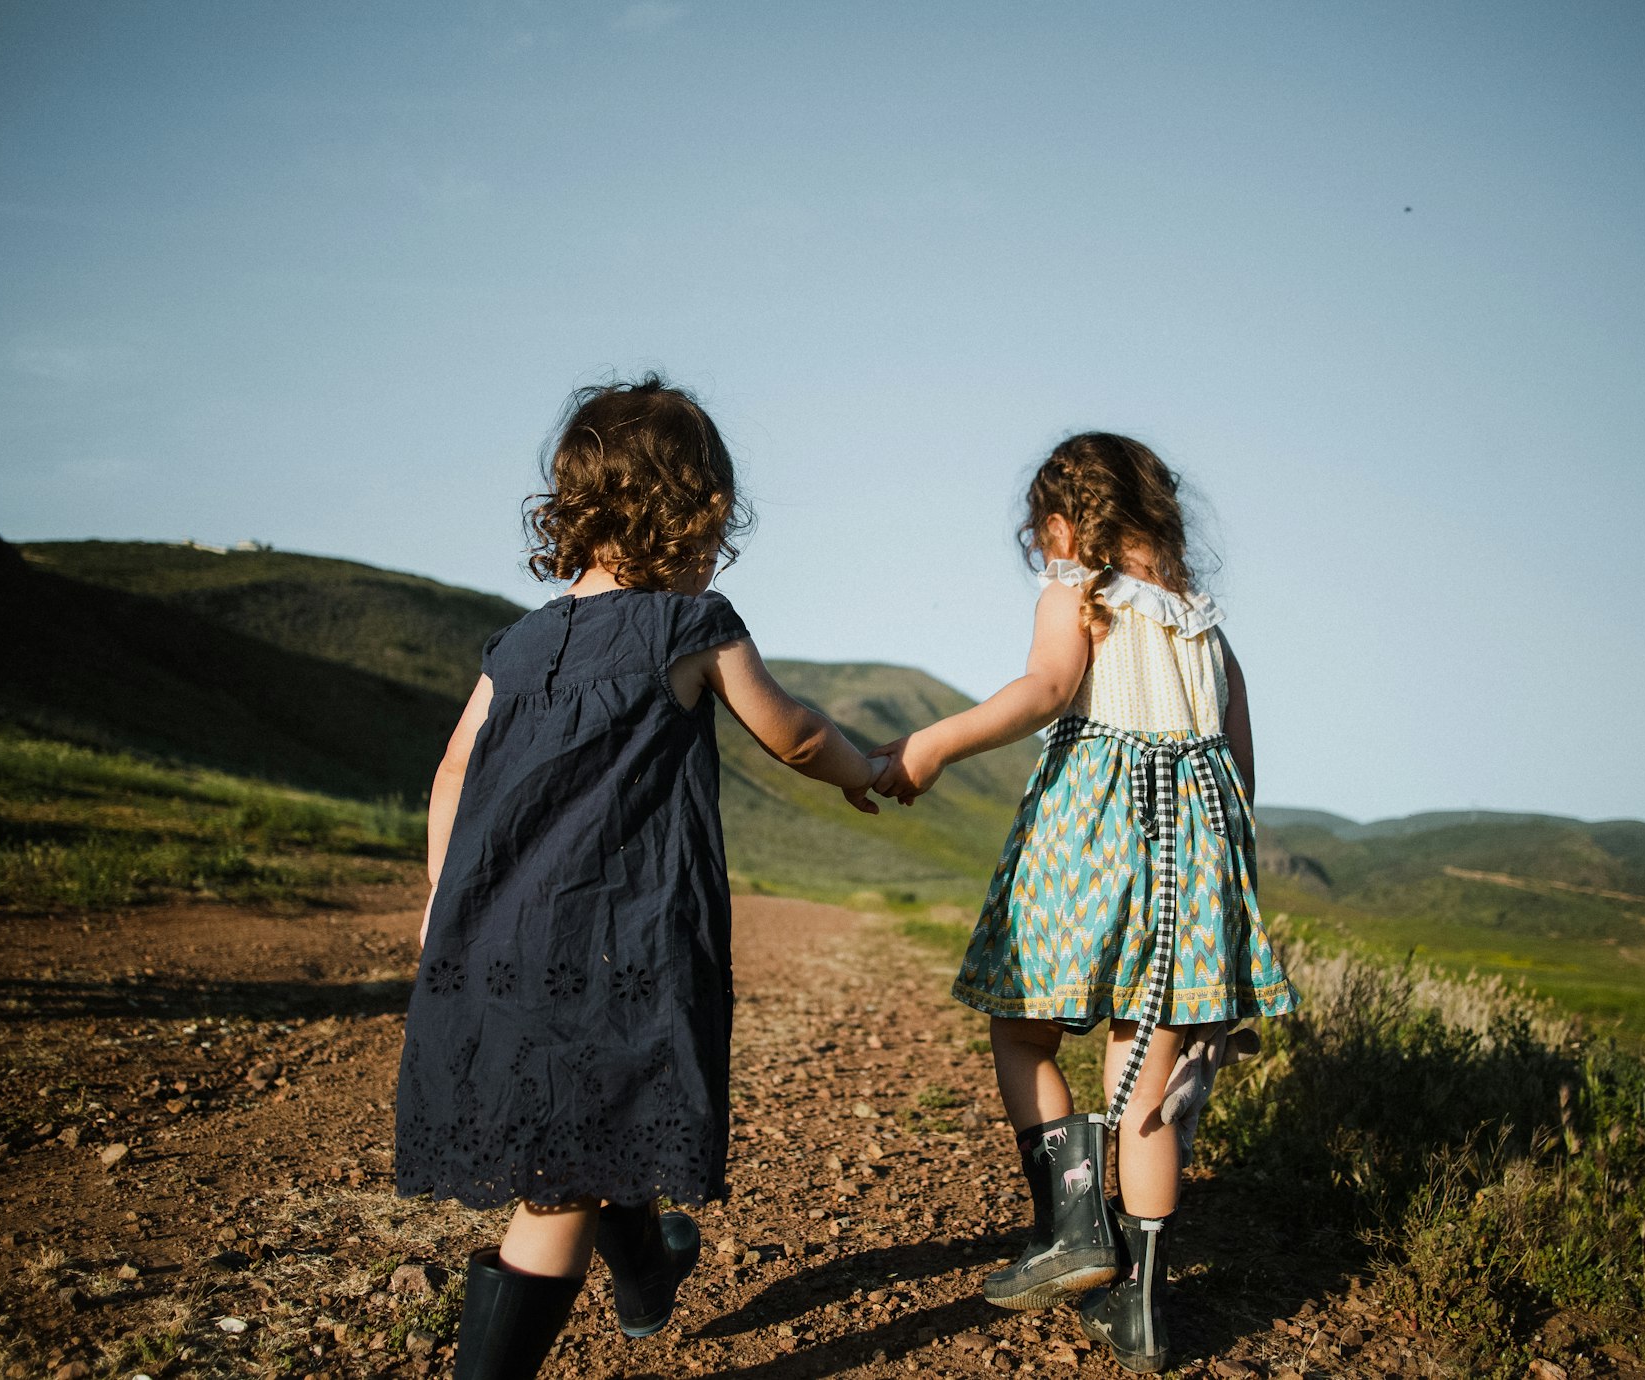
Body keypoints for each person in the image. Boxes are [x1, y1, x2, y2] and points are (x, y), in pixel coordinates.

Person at [394, 376, 883, 1379]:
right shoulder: (691, 625)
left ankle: (650, 1268)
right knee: (558, 1184)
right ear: (693, 510)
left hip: (491, 935)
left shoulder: (519, 643)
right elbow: (790, 735)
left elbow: (451, 772)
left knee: (589, 1119)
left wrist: (445, 910)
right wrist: (868, 769)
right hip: (617, 940)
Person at [872, 432, 1297, 1373]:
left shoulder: (1079, 592)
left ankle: (1072, 1227)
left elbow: (1047, 688)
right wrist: (1225, 893)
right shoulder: (1205, 625)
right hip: (1198, 861)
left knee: (1023, 1027)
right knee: (1146, 1087)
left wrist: (932, 745)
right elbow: (1240, 767)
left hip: (1091, 840)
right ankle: (1141, 1312)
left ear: (1066, 525)